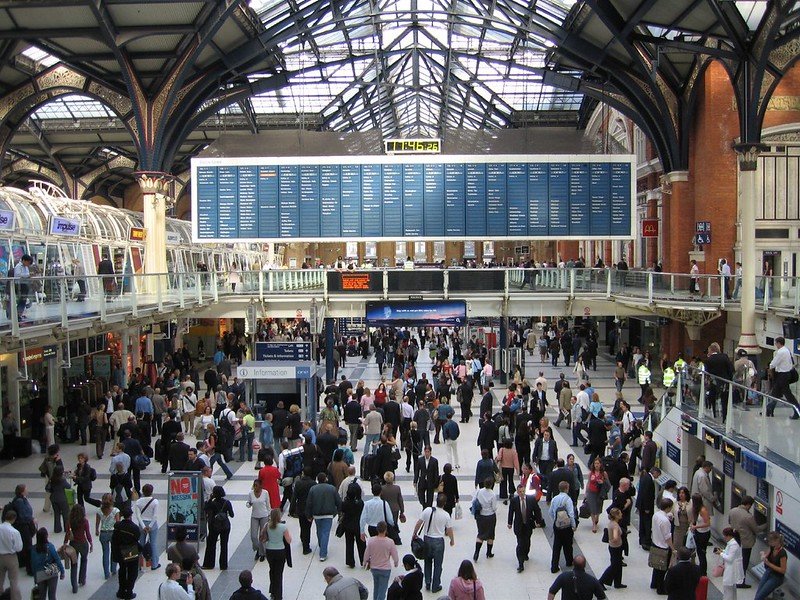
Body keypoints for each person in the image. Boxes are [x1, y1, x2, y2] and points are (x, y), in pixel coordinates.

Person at [413, 493, 454, 594]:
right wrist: (452, 539)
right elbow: (449, 530)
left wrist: (414, 533)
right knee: (438, 565)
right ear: (444, 503)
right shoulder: (446, 515)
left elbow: (419, 522)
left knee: (427, 562)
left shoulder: (428, 510)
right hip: (439, 541)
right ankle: (435, 585)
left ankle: (427, 582)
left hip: (427, 539)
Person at [728, 495, 765, 588]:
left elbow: (730, 522)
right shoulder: (748, 516)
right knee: (744, 562)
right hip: (746, 543)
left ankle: (735, 579)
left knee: (736, 560)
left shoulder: (733, 510)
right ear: (748, 504)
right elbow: (756, 529)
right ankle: (741, 582)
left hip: (735, 540)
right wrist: (767, 524)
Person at [306, 472, 342, 562]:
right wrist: (337, 512)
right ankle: (323, 553)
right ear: (326, 478)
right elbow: (339, 502)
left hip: (316, 514)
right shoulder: (332, 488)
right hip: (328, 514)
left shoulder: (313, 489)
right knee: (325, 533)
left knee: (319, 531)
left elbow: (309, 503)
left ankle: (322, 546)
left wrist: (309, 515)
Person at [363, 521, 399, 600]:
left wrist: (364, 562)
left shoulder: (371, 541)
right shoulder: (390, 542)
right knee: (382, 590)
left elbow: (367, 553)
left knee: (376, 587)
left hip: (374, 567)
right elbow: (395, 555)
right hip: (385, 569)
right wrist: (396, 563)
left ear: (377, 529)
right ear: (385, 530)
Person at [111, 507, 141, 600]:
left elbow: (114, 539)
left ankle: (121, 591)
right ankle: (129, 591)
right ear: (131, 516)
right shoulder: (134, 527)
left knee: (122, 570)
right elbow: (137, 538)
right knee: (132, 572)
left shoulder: (118, 526)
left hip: (120, 551)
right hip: (130, 551)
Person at [261, 508, 291, 600]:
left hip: (270, 551)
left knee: (272, 571)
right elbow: (289, 541)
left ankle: (273, 591)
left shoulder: (267, 525)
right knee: (279, 573)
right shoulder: (283, 527)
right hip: (280, 551)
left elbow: (263, 538)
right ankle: (278, 595)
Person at [202, 486, 234, 570]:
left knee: (211, 545)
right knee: (224, 545)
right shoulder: (227, 502)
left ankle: (209, 564)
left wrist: (210, 499)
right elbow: (232, 515)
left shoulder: (212, 503)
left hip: (214, 526)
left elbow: (205, 508)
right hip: (225, 526)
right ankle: (223, 565)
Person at [507, 483, 537, 573]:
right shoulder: (514, 500)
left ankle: (525, 554)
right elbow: (511, 512)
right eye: (520, 492)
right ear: (517, 492)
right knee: (520, 543)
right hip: (519, 525)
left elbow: (536, 510)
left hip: (528, 525)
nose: (522, 493)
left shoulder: (531, 499)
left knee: (527, 541)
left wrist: (538, 520)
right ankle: (520, 564)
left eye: (523, 491)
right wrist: (509, 523)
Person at [64, 504, 92, 593]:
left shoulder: (69, 521)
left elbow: (68, 533)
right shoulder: (85, 521)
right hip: (83, 544)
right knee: (84, 561)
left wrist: (65, 543)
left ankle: (74, 586)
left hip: (73, 544)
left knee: (74, 564)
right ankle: (82, 580)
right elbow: (87, 533)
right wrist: (91, 543)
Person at [549, 480, 576, 573]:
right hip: (567, 527)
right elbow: (571, 514)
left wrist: (556, 520)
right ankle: (569, 561)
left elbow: (551, 512)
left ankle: (554, 566)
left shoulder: (555, 498)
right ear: (566, 489)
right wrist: (573, 525)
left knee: (557, 546)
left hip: (557, 526)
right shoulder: (568, 499)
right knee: (568, 545)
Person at [31, 527, 65, 600]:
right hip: (51, 570)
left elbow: (33, 564)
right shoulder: (50, 546)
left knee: (42, 596)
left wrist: (35, 577)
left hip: (40, 572)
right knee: (52, 595)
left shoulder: (33, 549)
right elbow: (57, 559)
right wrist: (62, 571)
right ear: (46, 536)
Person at [650, 498, 675, 595]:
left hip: (655, 542)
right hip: (663, 546)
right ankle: (660, 589)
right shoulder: (665, 521)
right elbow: (667, 537)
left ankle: (654, 583)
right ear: (668, 507)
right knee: (662, 569)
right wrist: (673, 548)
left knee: (656, 566)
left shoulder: (656, 515)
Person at [9, 484, 35, 576]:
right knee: (27, 546)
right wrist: (31, 519)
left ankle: (22, 562)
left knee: (24, 545)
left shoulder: (20, 499)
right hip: (23, 526)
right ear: (22, 491)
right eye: (26, 489)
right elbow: (23, 514)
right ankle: (29, 567)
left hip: (24, 525)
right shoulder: (19, 501)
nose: (27, 491)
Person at [754, 531, 788, 600]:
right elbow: (766, 555)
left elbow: (783, 570)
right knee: (758, 594)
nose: (769, 543)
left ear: (776, 541)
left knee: (759, 597)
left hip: (776, 577)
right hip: (768, 572)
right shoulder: (772, 547)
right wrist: (763, 555)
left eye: (770, 542)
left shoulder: (782, 553)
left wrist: (769, 564)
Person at [341, 478, 367, 569]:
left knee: (349, 543)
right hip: (358, 526)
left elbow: (342, 510)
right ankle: (363, 560)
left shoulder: (345, 503)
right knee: (361, 544)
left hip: (348, 526)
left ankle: (350, 561)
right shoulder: (360, 503)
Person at [472, 477, 497, 562]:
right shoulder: (493, 494)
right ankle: (489, 553)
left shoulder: (479, 491)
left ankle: (476, 553)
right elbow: (494, 507)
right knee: (490, 535)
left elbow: (474, 500)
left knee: (481, 534)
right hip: (490, 516)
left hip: (480, 516)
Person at [95, 493, 119, 579]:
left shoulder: (99, 511)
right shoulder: (115, 510)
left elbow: (97, 522)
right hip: (113, 532)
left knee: (105, 552)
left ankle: (106, 573)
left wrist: (97, 530)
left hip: (103, 532)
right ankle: (113, 569)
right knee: (114, 551)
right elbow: (117, 523)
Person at [715, 527, 744, 600]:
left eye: (725, 536)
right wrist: (723, 551)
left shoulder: (733, 544)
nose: (724, 537)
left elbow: (730, 558)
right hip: (732, 568)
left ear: (729, 536)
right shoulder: (734, 543)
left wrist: (720, 553)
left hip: (731, 569)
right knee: (732, 589)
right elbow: (730, 553)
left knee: (728, 588)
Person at [0, 510, 22, 600]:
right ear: (14, 519)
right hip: (11, 557)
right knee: (13, 581)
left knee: (0, 578)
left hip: (0, 556)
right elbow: (19, 547)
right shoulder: (14, 532)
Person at [247, 479, 270, 562]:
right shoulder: (250, 493)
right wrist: (248, 504)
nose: (255, 487)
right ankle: (257, 549)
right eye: (254, 485)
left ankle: (262, 553)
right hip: (254, 516)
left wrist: (269, 515)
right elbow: (248, 503)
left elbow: (268, 504)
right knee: (253, 536)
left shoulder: (265, 493)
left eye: (257, 485)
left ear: (261, 486)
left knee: (262, 535)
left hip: (264, 515)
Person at [690, 492, 712, 575]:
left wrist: (695, 527)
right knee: (699, 552)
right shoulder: (696, 509)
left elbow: (707, 523)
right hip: (698, 532)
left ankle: (703, 572)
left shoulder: (703, 510)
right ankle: (701, 568)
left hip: (704, 534)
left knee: (702, 553)